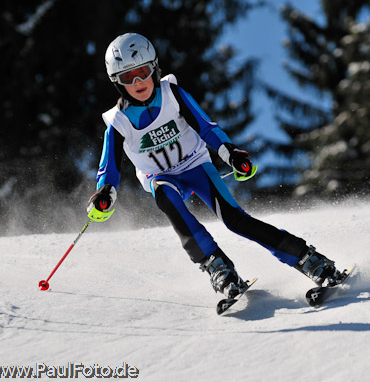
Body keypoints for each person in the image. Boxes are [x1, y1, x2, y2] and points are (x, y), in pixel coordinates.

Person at [87, 33, 345, 299]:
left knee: (235, 220)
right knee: (165, 197)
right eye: (129, 77)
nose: (138, 82)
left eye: (142, 72)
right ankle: (218, 267)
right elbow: (110, 166)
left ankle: (309, 260)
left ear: (154, 68)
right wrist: (105, 194)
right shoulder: (118, 121)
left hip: (195, 165)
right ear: (118, 83)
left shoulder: (172, 93)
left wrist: (232, 155)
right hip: (161, 177)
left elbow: (206, 128)